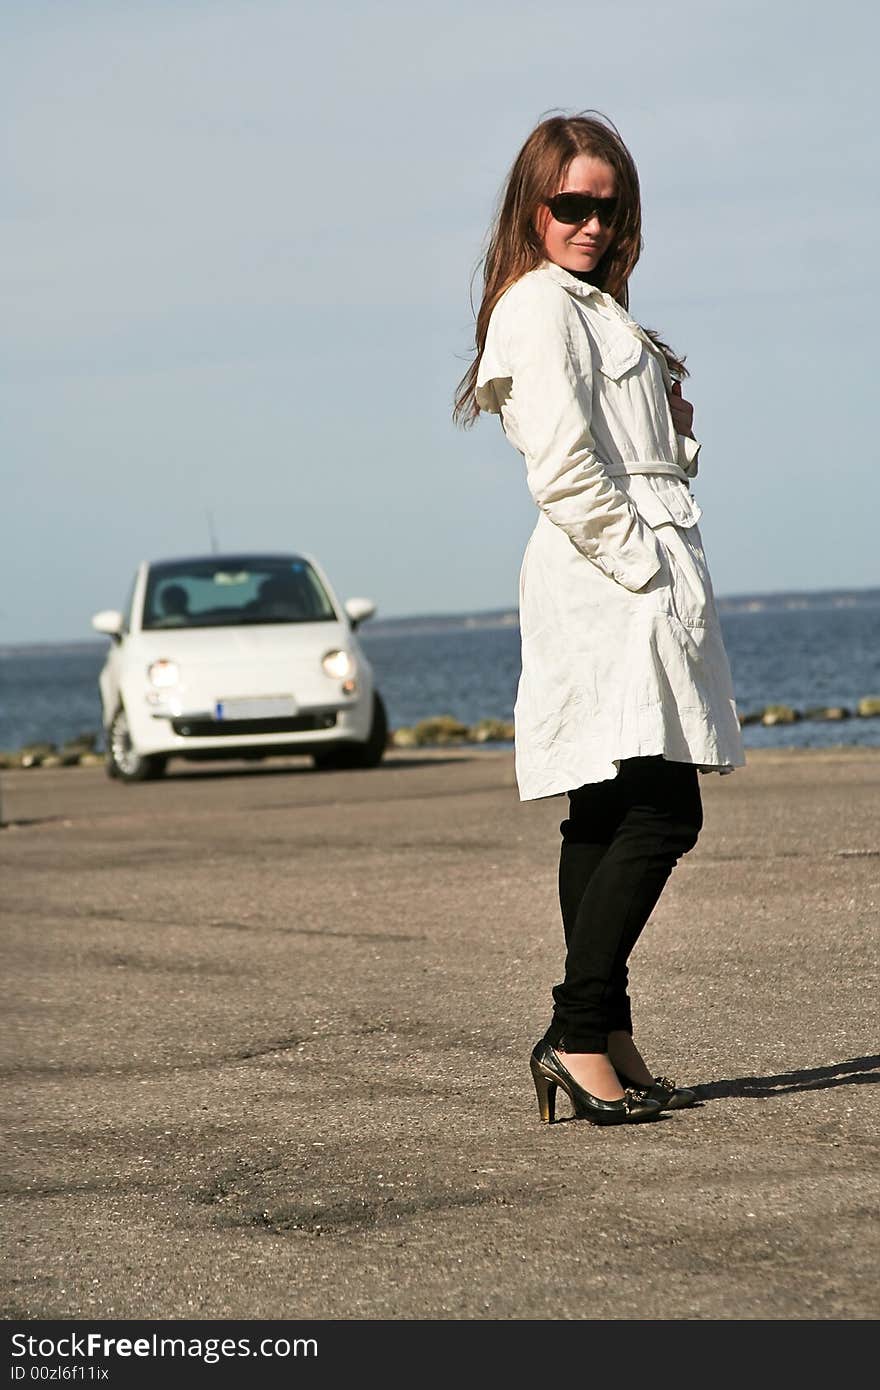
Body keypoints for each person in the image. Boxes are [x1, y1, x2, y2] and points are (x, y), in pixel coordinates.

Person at [454, 112, 745, 1127]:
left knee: (608, 809)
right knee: (665, 811)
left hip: (632, 563)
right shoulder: (538, 305)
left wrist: (675, 436)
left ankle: (602, 1034)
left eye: (604, 205)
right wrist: (641, 567)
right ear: (533, 206)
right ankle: (574, 1031)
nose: (587, 222)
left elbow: (621, 450)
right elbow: (565, 468)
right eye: (568, 204)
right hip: (611, 576)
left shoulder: (594, 304)